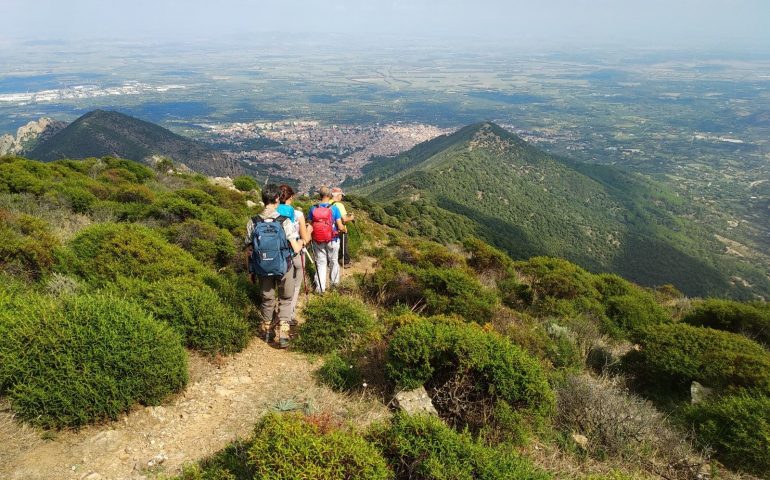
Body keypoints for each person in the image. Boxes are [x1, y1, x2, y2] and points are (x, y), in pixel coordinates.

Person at [245, 184, 305, 348]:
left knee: (267, 299)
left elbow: (249, 249)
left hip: (262, 267)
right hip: (284, 266)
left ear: (263, 199)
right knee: (285, 299)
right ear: (278, 199)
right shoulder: (284, 221)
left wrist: (250, 270)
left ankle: (268, 333)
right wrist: (302, 241)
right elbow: (295, 247)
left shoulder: (253, 222)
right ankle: (284, 334)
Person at [278, 184, 312, 325]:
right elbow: (306, 239)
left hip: (275, 255)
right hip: (294, 254)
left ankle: (275, 313)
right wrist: (309, 230)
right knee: (295, 286)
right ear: (291, 197)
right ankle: (288, 315)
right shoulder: (297, 214)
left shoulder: (272, 213)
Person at [308, 186, 347, 293]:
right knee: (333, 261)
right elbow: (339, 226)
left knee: (321, 263)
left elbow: (310, 225)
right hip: (332, 239)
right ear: (329, 195)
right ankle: (334, 286)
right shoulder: (334, 208)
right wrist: (344, 229)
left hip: (318, 240)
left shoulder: (313, 208)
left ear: (320, 195)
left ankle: (320, 288)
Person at [330, 187, 354, 267]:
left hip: (329, 229)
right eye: (341, 195)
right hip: (340, 229)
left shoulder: (328, 203)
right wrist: (351, 217)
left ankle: (330, 261)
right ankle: (345, 261)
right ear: (338, 195)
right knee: (343, 246)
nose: (342, 197)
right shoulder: (339, 205)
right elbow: (344, 219)